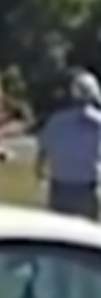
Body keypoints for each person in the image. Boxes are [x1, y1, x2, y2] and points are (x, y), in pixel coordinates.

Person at [36, 70, 101, 221]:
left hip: (59, 188)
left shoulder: (56, 121)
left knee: (60, 234)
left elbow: (42, 154)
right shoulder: (97, 123)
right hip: (87, 188)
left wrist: (41, 175)